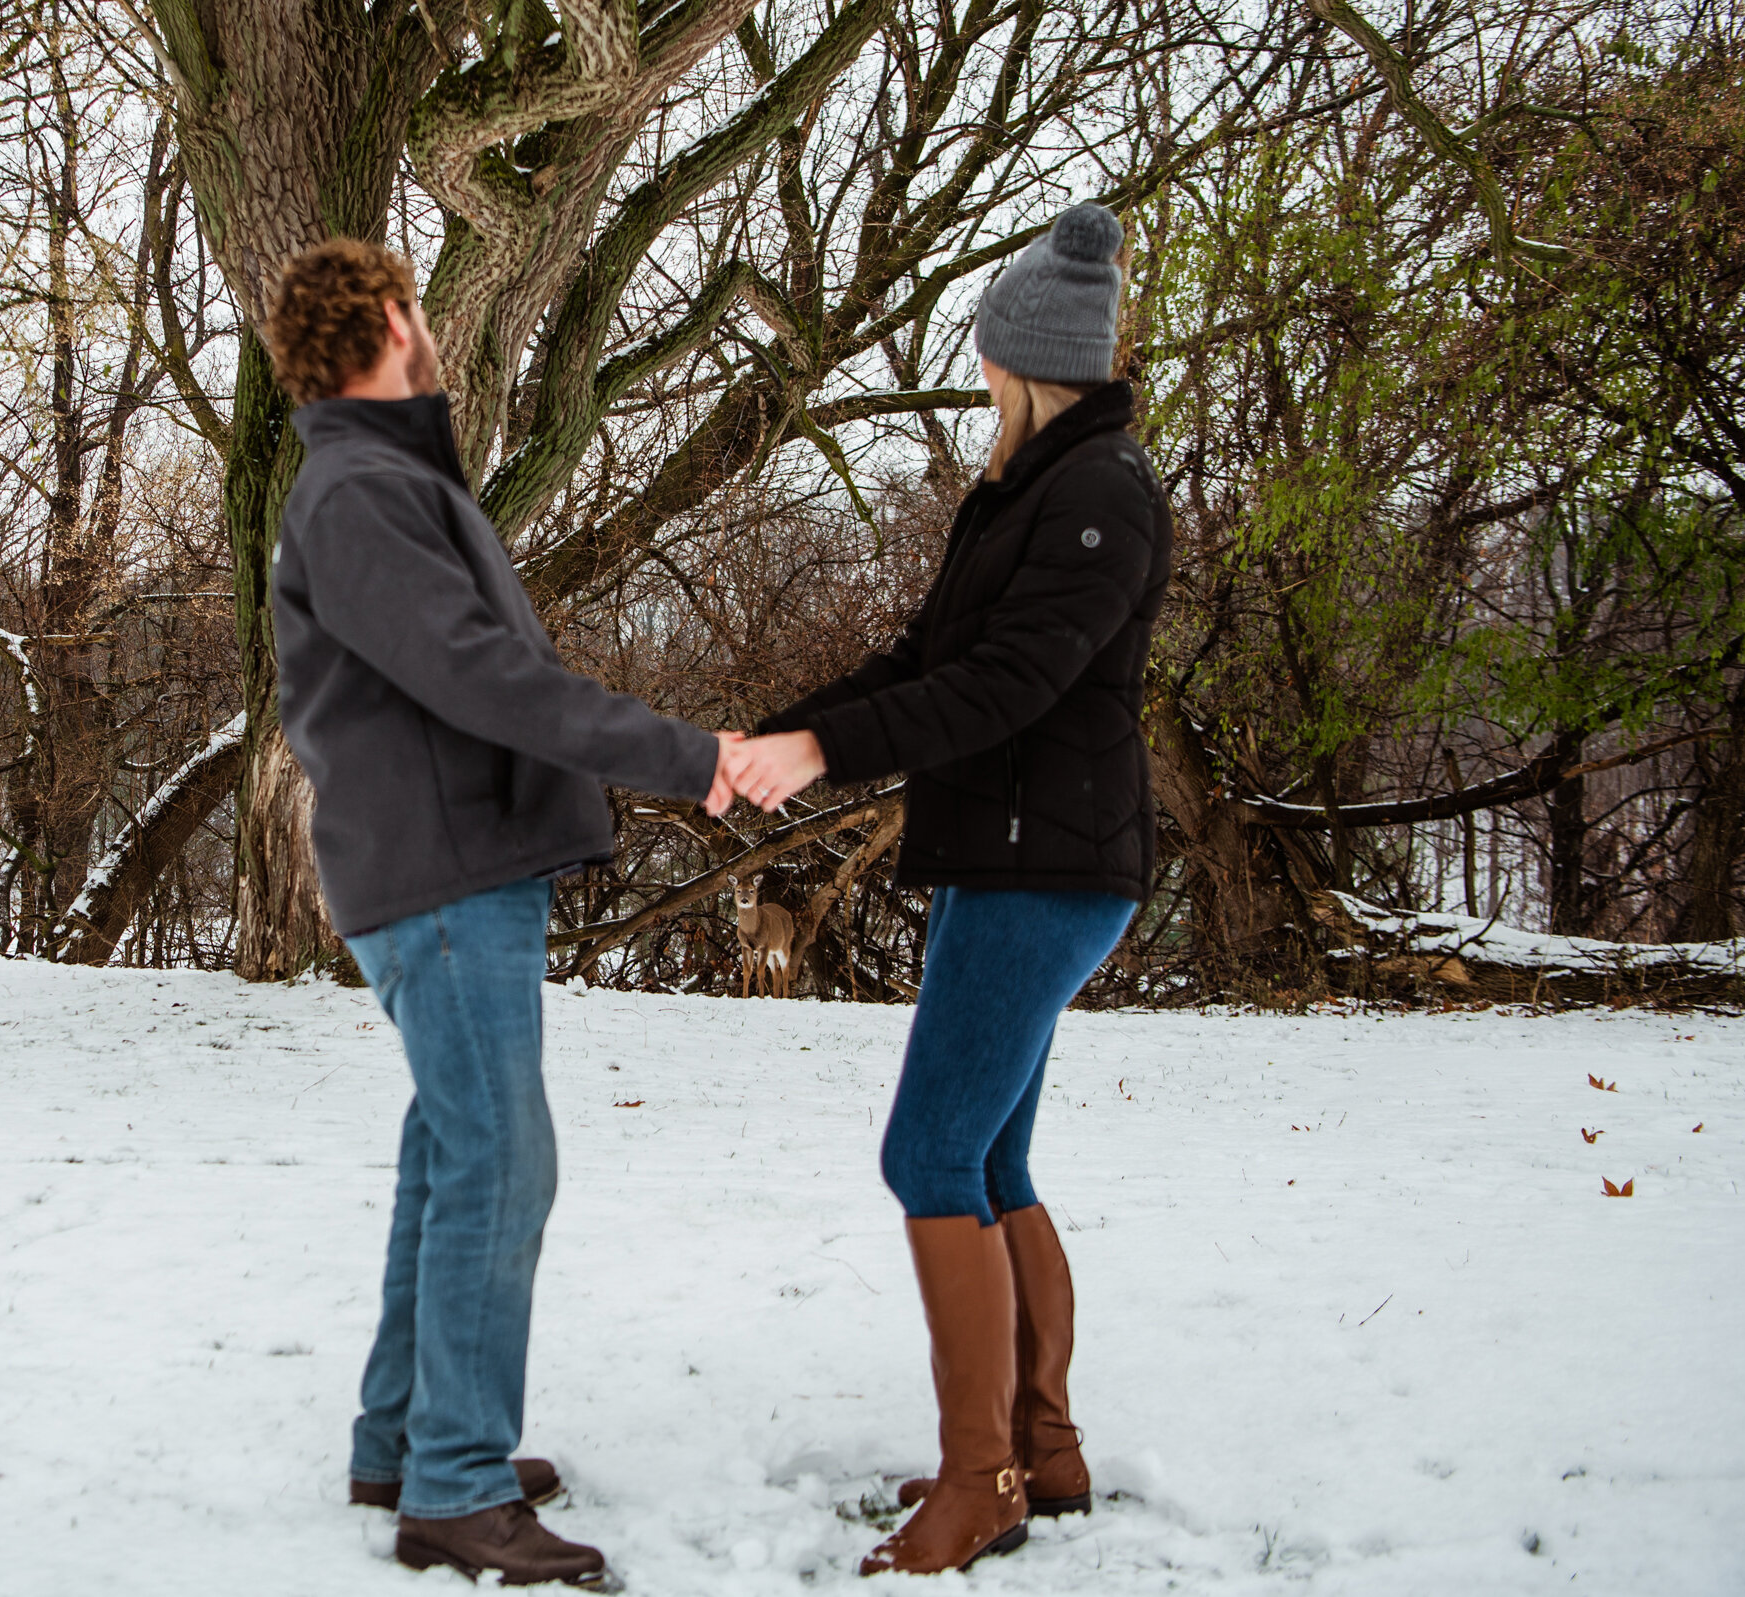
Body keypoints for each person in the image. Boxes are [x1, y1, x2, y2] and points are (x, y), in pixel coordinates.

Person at [265, 238, 742, 1588]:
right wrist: (686, 755)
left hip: (454, 867)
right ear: (394, 324)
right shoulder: (357, 492)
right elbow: (485, 677)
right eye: (419, 310)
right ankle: (457, 1489)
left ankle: (406, 1436)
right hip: (444, 876)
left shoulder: (386, 479)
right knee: (500, 1161)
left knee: (451, 1151)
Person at [721, 202, 1173, 1577]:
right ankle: (1041, 1445)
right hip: (1006, 860)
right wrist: (780, 738)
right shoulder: (1028, 494)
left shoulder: (1099, 497)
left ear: (1024, 358)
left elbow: (1005, 688)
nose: (977, 376)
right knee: (988, 1157)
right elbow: (922, 658)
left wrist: (821, 749)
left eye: (985, 355)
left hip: (1050, 868)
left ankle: (982, 1481)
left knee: (927, 1155)